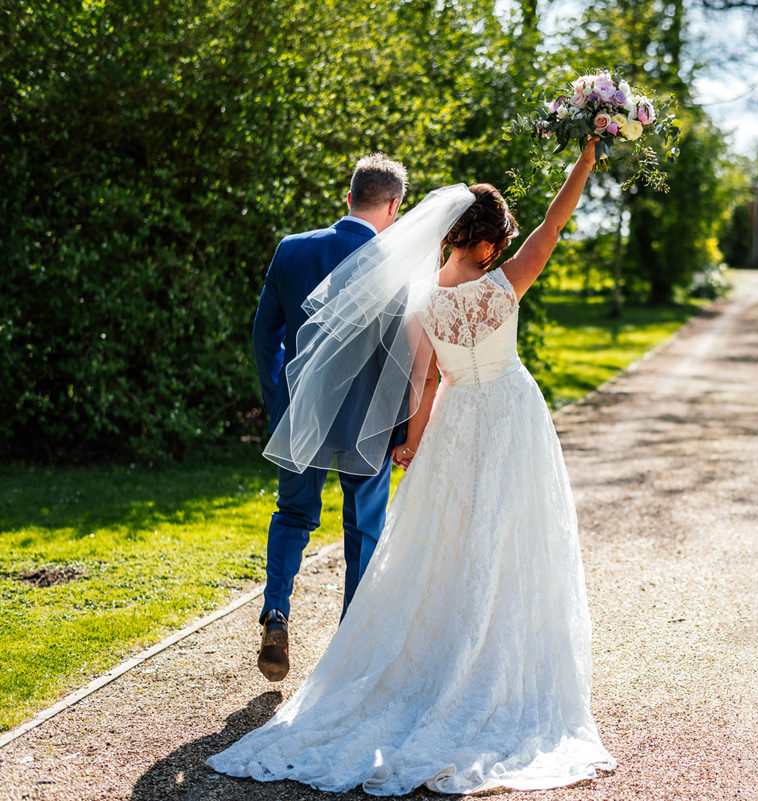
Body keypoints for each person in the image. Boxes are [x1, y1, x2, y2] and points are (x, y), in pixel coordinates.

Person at [207, 140, 615, 794]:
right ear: (489, 244)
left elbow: (423, 383)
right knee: (510, 540)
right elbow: (554, 224)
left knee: (442, 546)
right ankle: (488, 656)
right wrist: (588, 157)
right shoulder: (505, 283)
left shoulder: (422, 298)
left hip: (454, 429)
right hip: (512, 418)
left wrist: (412, 444)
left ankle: (406, 653)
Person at [251, 153, 409, 682]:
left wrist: (283, 402)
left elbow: (264, 336)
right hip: (370, 420)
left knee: (293, 515)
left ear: (349, 197)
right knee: (363, 528)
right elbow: (403, 353)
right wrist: (404, 426)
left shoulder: (293, 250)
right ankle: (349, 649)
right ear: (394, 205)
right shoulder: (397, 262)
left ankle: (276, 611)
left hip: (303, 415)